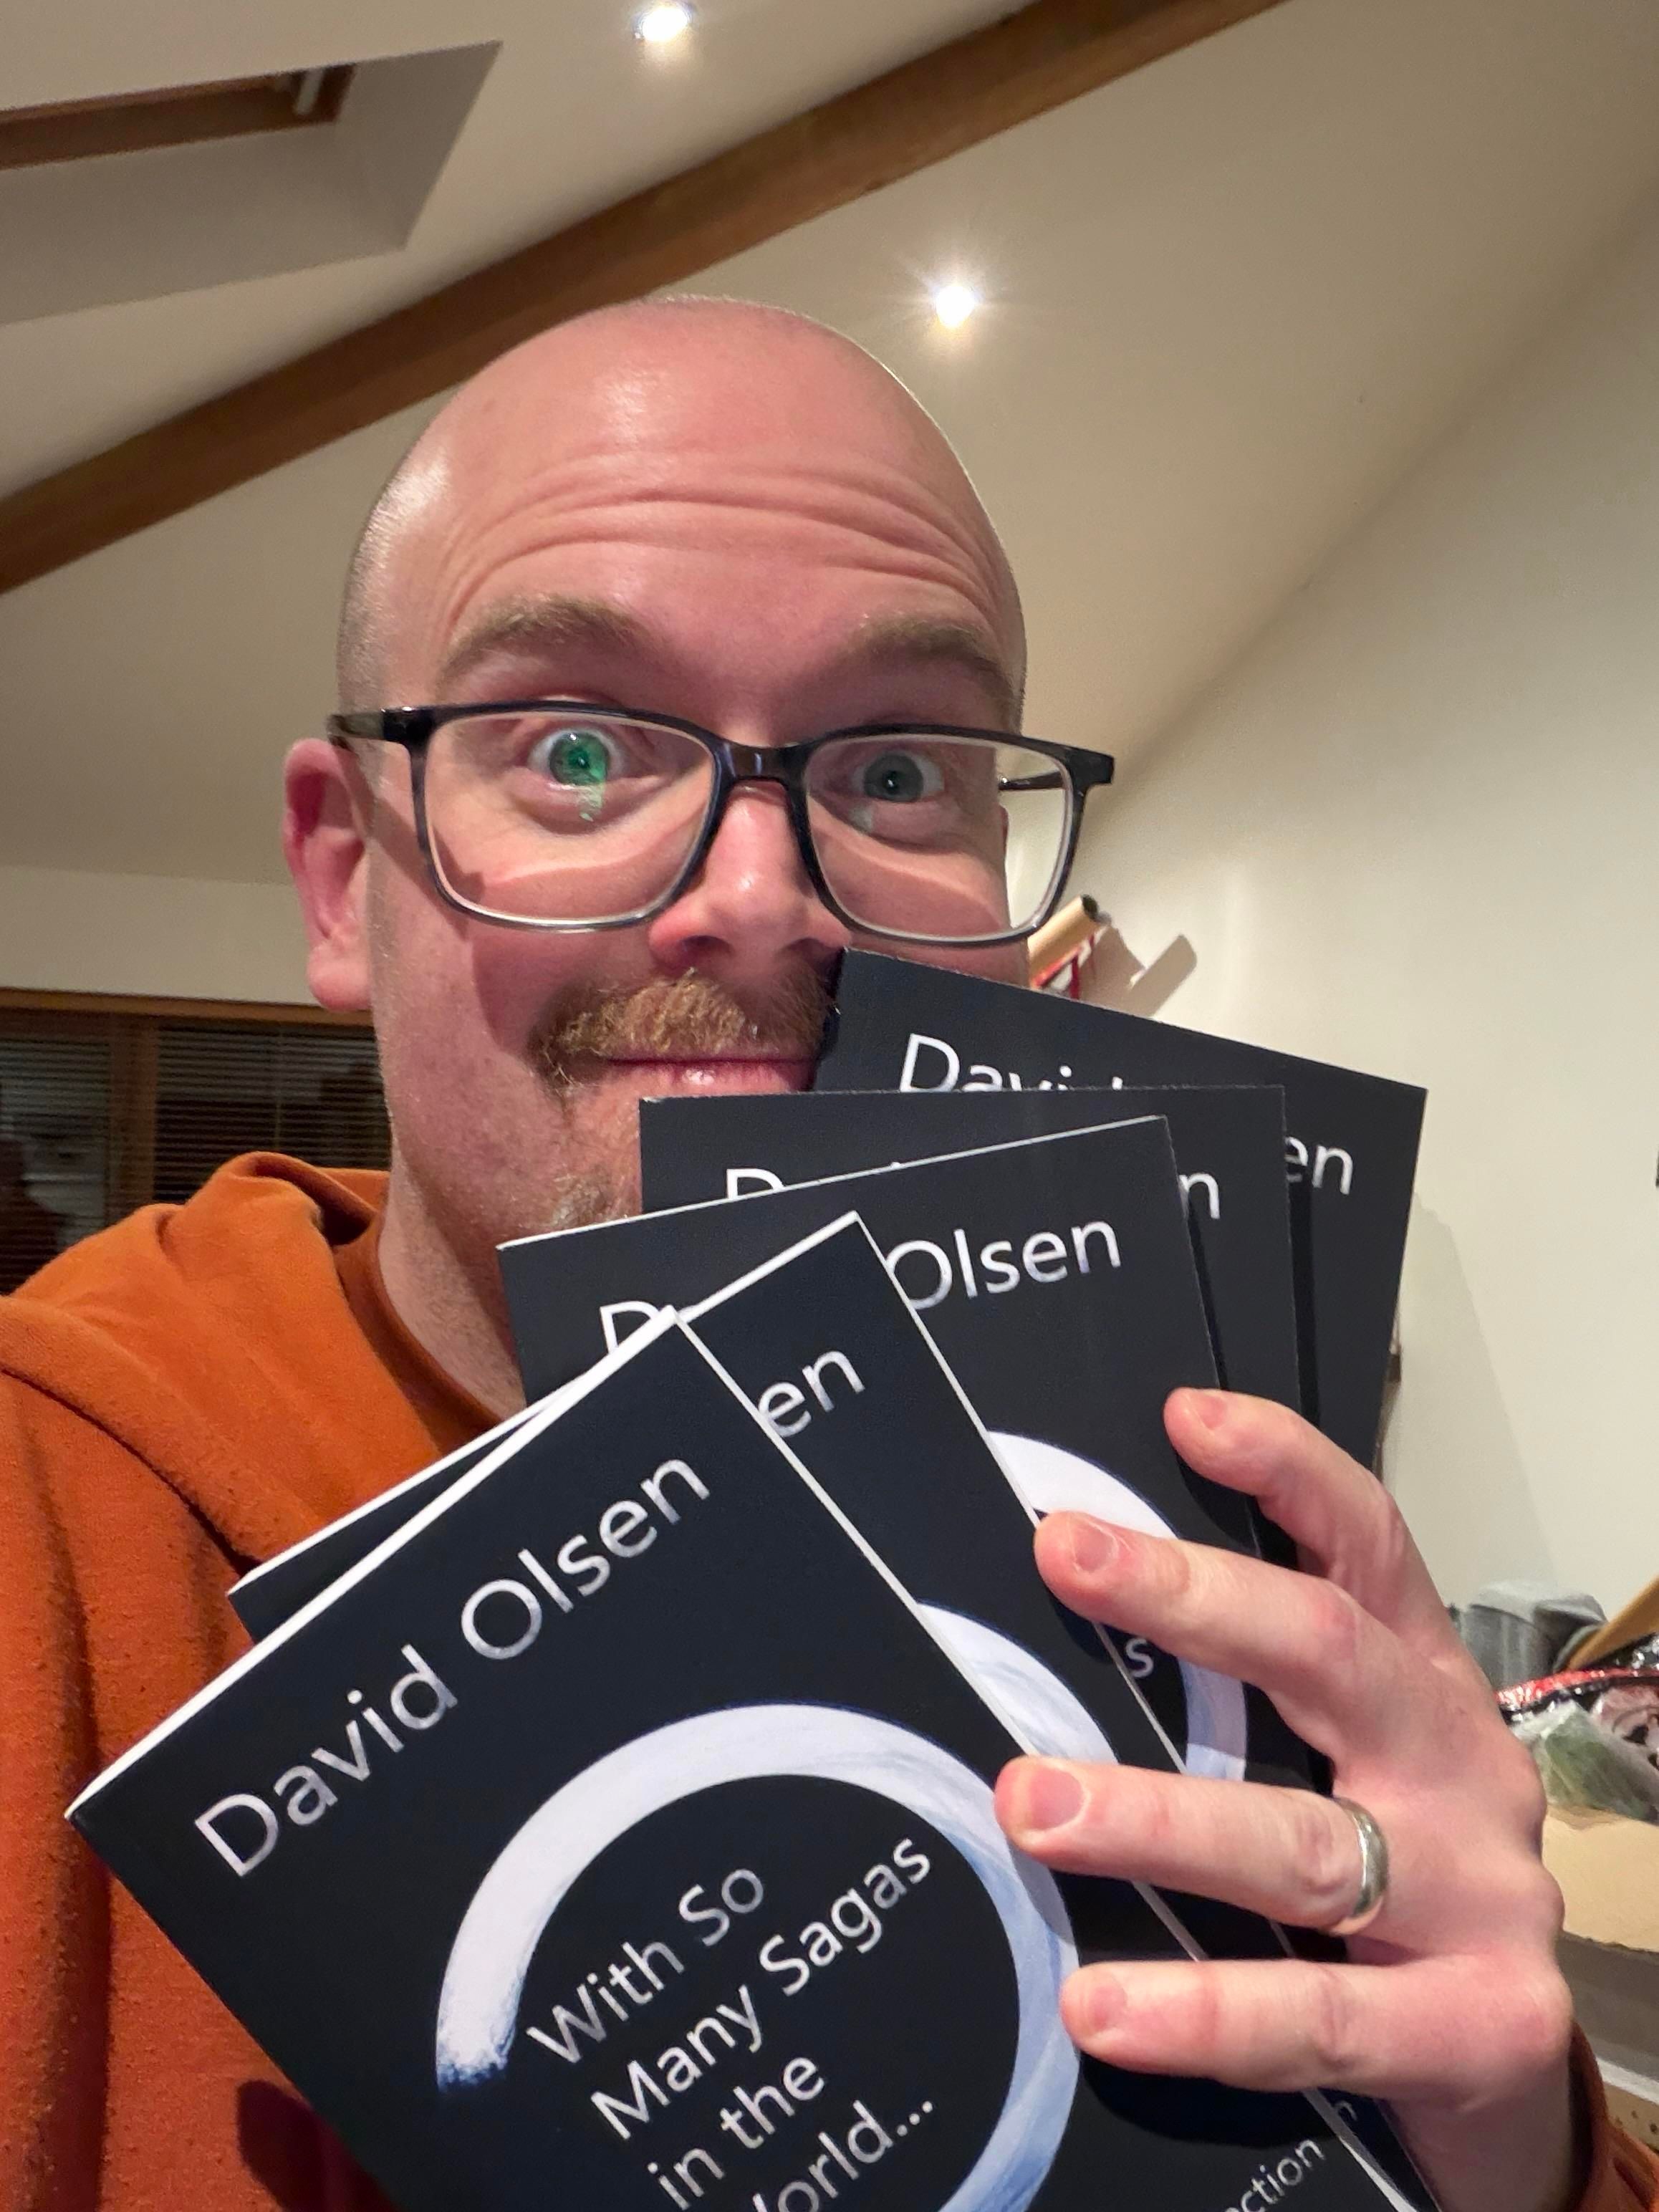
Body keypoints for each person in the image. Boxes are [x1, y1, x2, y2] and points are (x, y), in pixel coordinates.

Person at [0, 298, 1652, 2212]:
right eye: (575, 746)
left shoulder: (1200, 1481)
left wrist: (1515, 2161)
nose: (761, 897)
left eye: (895, 772)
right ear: (344, 875)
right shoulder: (50, 1527)